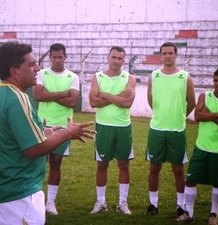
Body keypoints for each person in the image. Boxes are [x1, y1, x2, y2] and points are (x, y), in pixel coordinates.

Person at [0, 42, 94, 225]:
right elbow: (33, 149)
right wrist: (67, 133)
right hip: (20, 195)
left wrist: (45, 132)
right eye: (31, 64)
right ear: (15, 71)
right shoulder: (18, 98)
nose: (37, 68)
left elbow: (11, 136)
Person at [145, 42, 195, 220]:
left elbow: (192, 102)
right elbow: (151, 100)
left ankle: (180, 206)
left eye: (170, 53)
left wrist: (180, 117)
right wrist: (161, 115)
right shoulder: (154, 76)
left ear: (176, 55)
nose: (167, 56)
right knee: (154, 167)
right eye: (164, 53)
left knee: (178, 169)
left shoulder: (185, 77)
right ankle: (153, 203)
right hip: (157, 129)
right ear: (161, 55)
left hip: (177, 130)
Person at [33, 43, 80, 215]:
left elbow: (73, 102)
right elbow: (38, 95)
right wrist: (63, 93)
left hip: (63, 127)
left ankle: (50, 202)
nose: (57, 60)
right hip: (41, 124)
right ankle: (35, 197)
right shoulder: (41, 73)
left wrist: (49, 94)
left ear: (65, 57)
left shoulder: (72, 77)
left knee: (55, 163)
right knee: (36, 163)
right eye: (54, 57)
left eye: (61, 57)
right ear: (50, 57)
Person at [184, 67, 218, 224]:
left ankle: (214, 214)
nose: (217, 84)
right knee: (190, 180)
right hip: (201, 147)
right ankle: (189, 213)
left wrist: (209, 114)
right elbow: (198, 116)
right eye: (215, 80)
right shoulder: (204, 96)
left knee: (217, 183)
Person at [89, 46, 136, 215]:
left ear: (124, 60)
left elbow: (127, 103)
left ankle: (123, 203)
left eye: (120, 58)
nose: (116, 61)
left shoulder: (130, 78)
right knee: (102, 164)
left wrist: (105, 95)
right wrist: (118, 96)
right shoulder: (97, 77)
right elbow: (93, 103)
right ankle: (100, 202)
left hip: (123, 126)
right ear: (108, 58)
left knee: (124, 164)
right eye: (113, 57)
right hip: (103, 126)